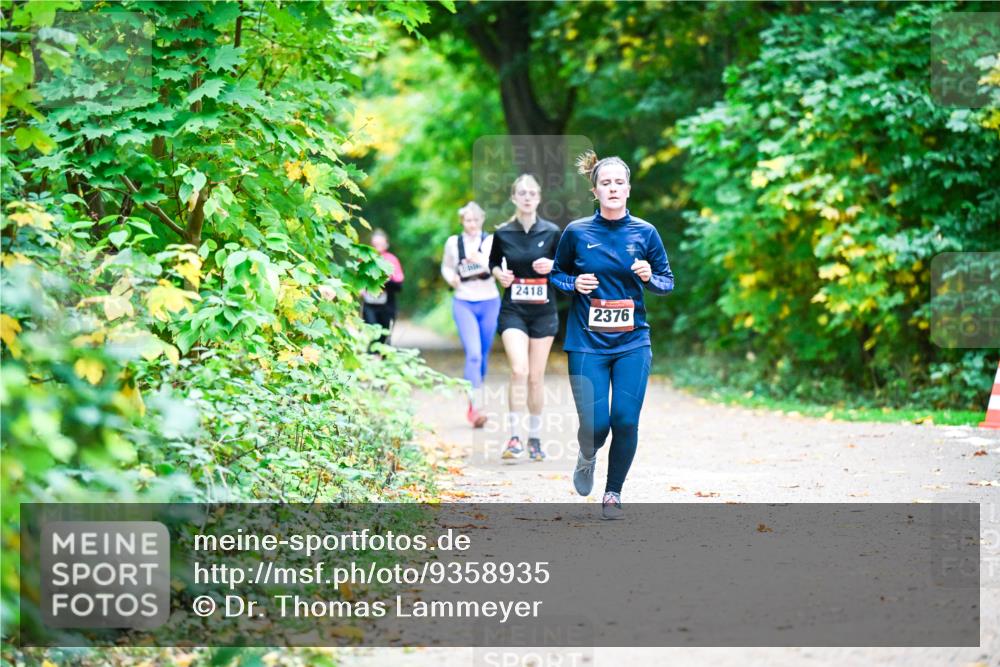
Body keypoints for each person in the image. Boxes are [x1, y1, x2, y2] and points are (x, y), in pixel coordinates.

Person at [549, 151, 674, 519]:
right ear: (595, 190)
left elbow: (668, 282)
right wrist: (574, 282)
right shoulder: (577, 232)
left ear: (629, 189)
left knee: (624, 419)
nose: (613, 188)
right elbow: (555, 275)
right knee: (595, 424)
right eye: (606, 183)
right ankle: (587, 454)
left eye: (619, 182)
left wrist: (650, 277)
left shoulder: (645, 233)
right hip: (587, 342)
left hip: (633, 342)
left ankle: (613, 493)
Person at [488, 174, 562, 462]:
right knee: (519, 370)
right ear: (514, 198)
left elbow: (568, 267)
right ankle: (514, 437)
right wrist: (500, 275)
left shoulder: (553, 231)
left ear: (539, 198)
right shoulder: (504, 233)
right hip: (514, 310)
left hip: (544, 310)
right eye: (522, 192)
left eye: (533, 192)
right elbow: (493, 263)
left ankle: (535, 438)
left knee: (535, 377)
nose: (528, 197)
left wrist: (553, 265)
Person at [441, 202, 501, 428]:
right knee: (473, 354)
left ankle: (475, 394)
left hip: (489, 301)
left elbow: (501, 266)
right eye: (468, 220)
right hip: (464, 301)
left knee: (483, 356)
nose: (472, 224)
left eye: (476, 220)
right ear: (462, 221)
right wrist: (451, 278)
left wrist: (482, 262)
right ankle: (476, 407)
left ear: (482, 220)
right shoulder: (453, 243)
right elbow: (446, 267)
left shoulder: (491, 241)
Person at [362, 228, 404, 347]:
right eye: (375, 244)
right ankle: (373, 361)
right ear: (371, 245)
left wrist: (384, 281)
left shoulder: (392, 260)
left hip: (387, 305)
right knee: (372, 336)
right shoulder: (365, 258)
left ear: (386, 244)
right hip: (369, 304)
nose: (378, 247)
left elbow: (399, 285)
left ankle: (383, 360)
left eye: (380, 244)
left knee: (385, 337)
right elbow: (358, 281)